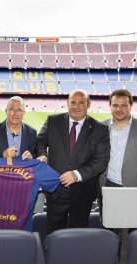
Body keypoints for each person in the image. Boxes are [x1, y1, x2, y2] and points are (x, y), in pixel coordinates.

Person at [36, 90, 110, 233]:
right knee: (54, 231)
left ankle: (75, 255)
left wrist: (77, 174)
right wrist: (42, 154)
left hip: (83, 191)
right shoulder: (53, 121)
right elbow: (40, 142)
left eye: (81, 102)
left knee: (78, 233)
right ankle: (55, 255)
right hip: (55, 189)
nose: (76, 106)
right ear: (67, 103)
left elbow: (101, 161)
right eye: (73, 102)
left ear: (88, 104)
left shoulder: (100, 129)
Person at [99, 89, 137, 210]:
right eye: (115, 105)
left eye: (123, 105)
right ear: (110, 106)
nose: (119, 109)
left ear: (131, 106)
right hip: (106, 185)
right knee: (107, 226)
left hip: (135, 188)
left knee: (133, 227)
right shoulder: (99, 127)